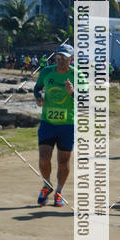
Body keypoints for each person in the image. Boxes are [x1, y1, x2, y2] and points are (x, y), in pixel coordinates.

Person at [34, 44, 75, 207]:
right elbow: (37, 88)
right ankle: (47, 185)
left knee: (63, 161)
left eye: (65, 57)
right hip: (48, 123)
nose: (61, 61)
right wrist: (39, 97)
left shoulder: (77, 75)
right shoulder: (46, 72)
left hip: (67, 125)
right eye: (59, 57)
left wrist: (72, 92)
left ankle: (59, 191)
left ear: (72, 59)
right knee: (44, 158)